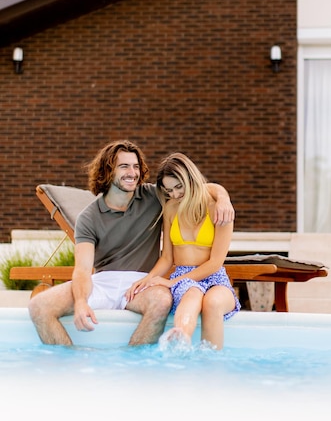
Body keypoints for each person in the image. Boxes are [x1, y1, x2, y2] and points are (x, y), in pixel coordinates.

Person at [28, 140, 234, 346]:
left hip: (141, 283)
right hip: (102, 282)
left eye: (136, 167)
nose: (132, 172)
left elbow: (194, 187)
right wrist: (81, 302)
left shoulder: (155, 196)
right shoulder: (88, 217)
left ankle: (134, 367)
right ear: (107, 171)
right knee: (38, 306)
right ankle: (73, 364)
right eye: (124, 166)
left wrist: (223, 197)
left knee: (162, 301)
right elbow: (82, 270)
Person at [125, 152, 240, 350]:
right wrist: (149, 278)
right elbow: (167, 258)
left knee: (212, 303)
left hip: (215, 278)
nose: (175, 194)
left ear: (191, 179)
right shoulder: (170, 208)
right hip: (183, 278)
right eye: (169, 190)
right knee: (192, 292)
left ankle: (212, 365)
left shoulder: (218, 209)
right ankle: (180, 338)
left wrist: (170, 282)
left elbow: (215, 263)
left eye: (179, 187)